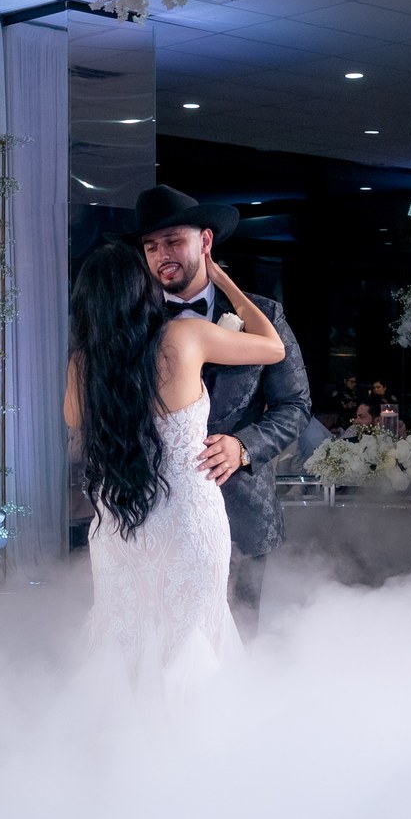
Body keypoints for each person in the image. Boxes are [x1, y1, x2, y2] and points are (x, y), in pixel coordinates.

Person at [65, 240, 283, 691]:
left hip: (119, 526)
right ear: (142, 290)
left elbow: (75, 424)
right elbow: (272, 347)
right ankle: (195, 754)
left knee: (121, 642)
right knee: (195, 640)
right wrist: (224, 281)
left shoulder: (83, 366)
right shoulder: (184, 337)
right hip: (187, 522)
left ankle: (120, 751)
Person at [129, 185, 312, 631]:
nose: (161, 255)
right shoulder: (132, 322)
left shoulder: (264, 315)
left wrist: (243, 447)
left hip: (241, 509)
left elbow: (295, 405)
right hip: (154, 508)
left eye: (173, 241)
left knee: (237, 637)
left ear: (206, 241)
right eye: (151, 246)